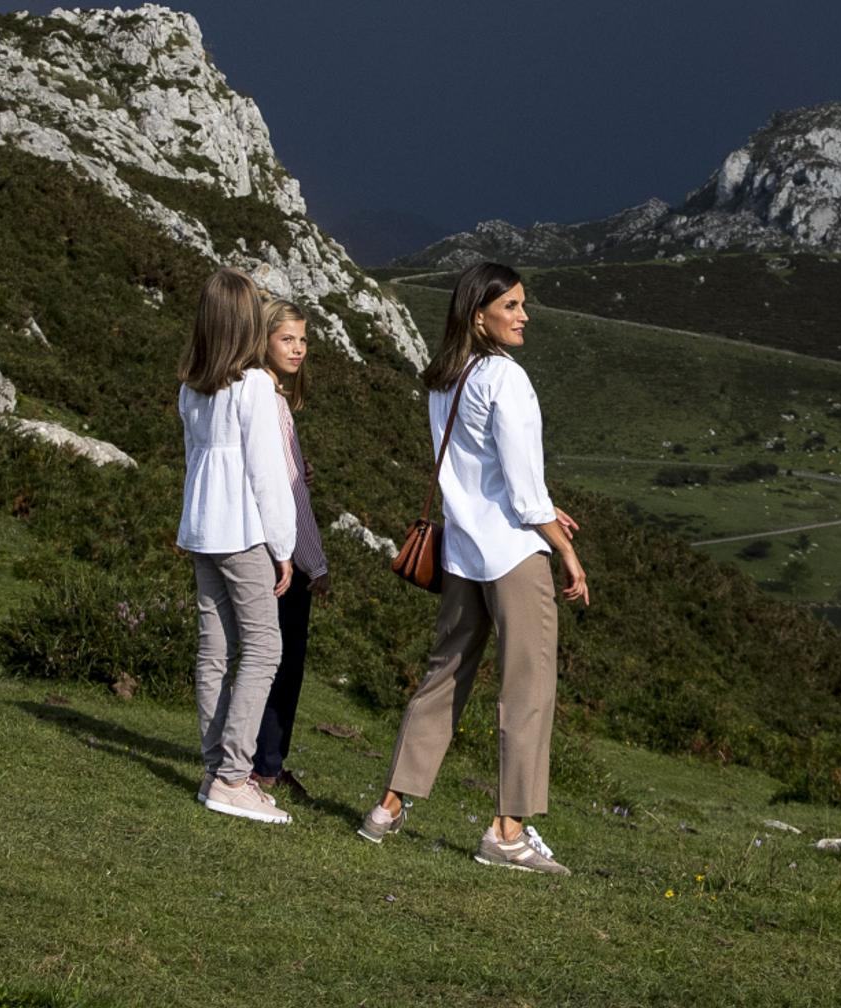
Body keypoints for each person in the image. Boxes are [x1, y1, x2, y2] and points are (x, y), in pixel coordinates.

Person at [358, 261, 589, 874]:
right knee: (528, 688)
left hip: (463, 552)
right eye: (510, 306)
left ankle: (387, 806)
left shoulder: (444, 378)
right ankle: (507, 831)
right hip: (513, 554)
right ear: (478, 313)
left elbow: (476, 469)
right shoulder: (505, 379)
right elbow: (519, 490)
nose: (523, 316)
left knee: (444, 677)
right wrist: (564, 548)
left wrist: (539, 500)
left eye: (521, 305)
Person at [176, 268, 296, 825]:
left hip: (201, 528)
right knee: (264, 646)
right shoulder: (253, 387)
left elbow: (195, 459)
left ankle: (213, 768)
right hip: (242, 531)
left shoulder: (191, 386)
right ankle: (232, 776)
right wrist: (285, 545)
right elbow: (267, 475)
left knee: (214, 649)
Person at [249, 298, 331, 800]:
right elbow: (291, 495)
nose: (298, 349)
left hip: (260, 544)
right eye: (287, 340)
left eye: (303, 340)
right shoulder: (272, 403)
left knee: (263, 656)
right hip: (284, 555)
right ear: (264, 341)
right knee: (282, 662)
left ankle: (259, 759)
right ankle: (266, 764)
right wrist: (315, 563)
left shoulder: (263, 397)